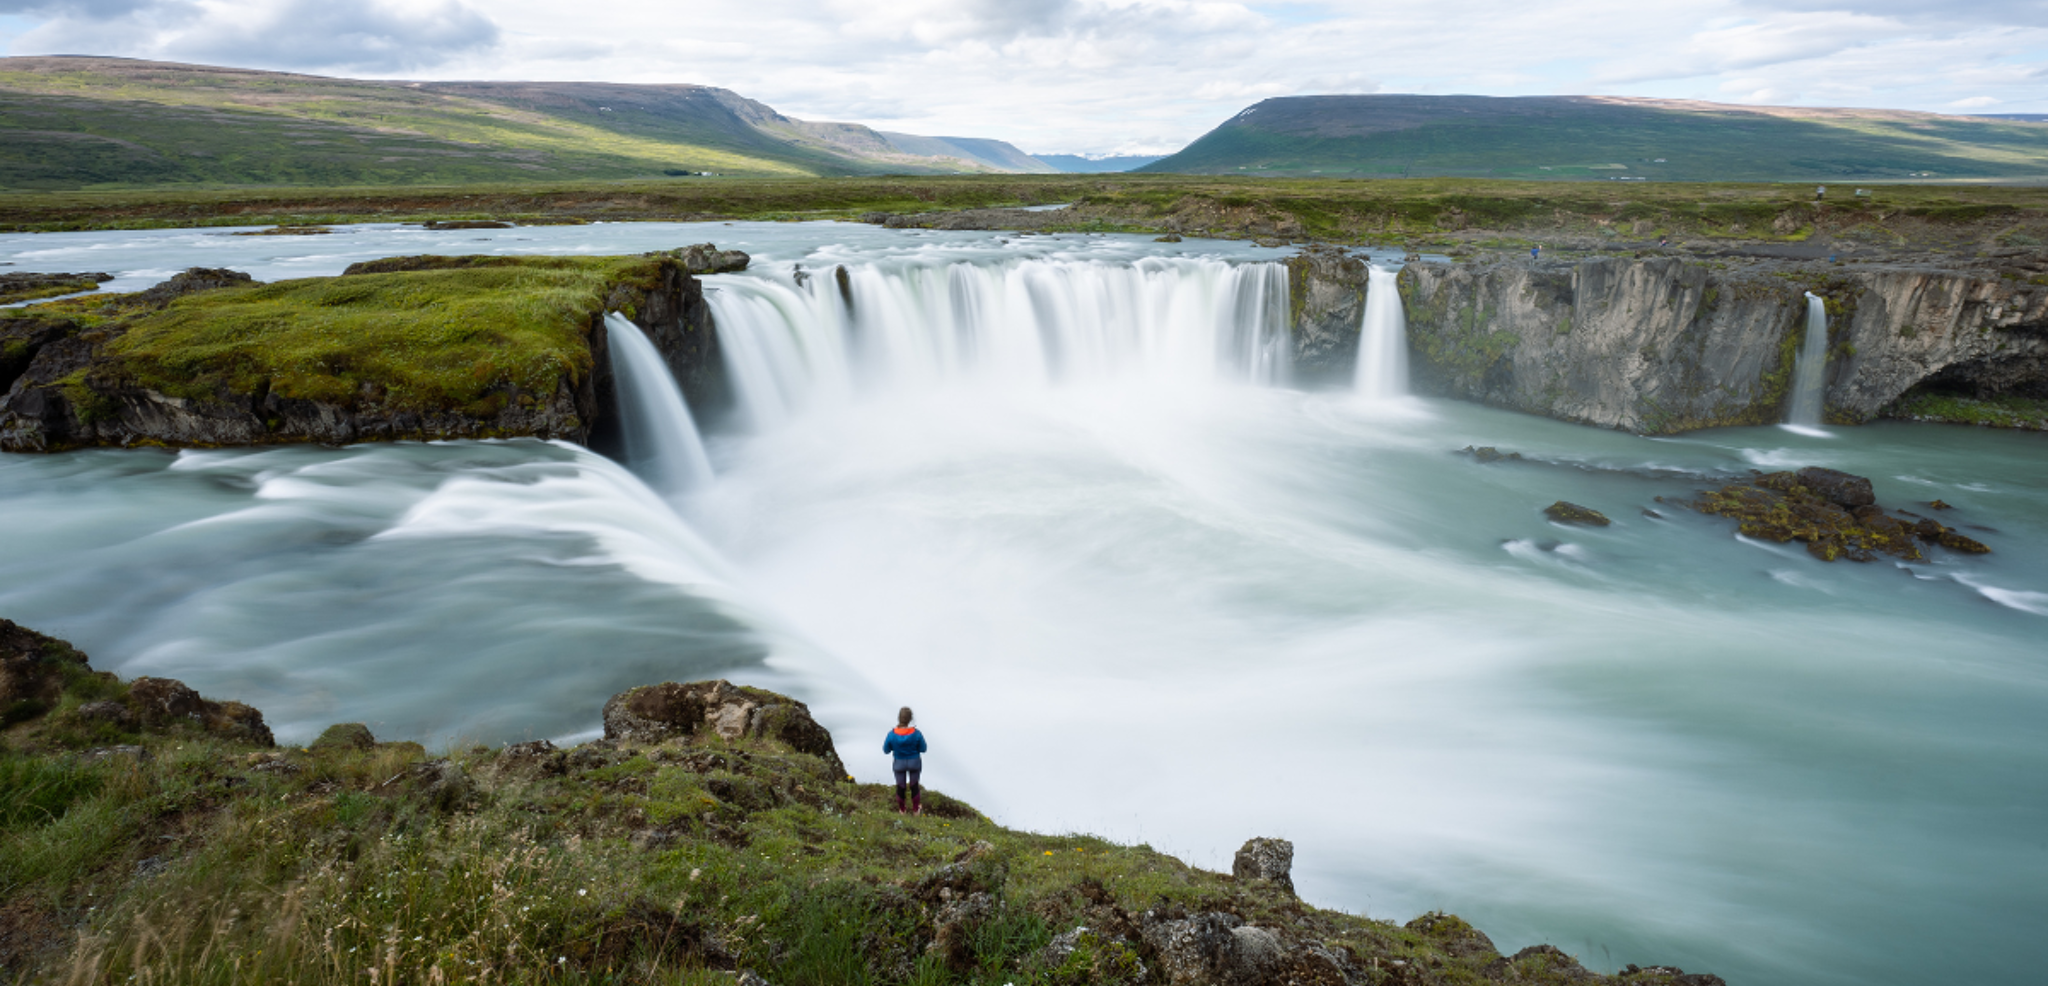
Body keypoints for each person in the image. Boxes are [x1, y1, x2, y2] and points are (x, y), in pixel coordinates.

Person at [883, 706, 927, 814]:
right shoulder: (917, 734)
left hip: (899, 763)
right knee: (914, 785)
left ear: (899, 718)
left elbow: (886, 750)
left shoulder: (892, 734)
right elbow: (923, 749)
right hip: (914, 762)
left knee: (901, 786)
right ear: (910, 719)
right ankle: (916, 809)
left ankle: (902, 810)